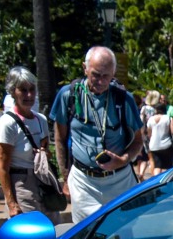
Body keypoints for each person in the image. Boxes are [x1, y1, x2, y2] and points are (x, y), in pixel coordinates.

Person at [50, 45, 142, 222]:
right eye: (95, 75)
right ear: (85, 69)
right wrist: (66, 177)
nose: (100, 81)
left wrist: (123, 160)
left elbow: (138, 141)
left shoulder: (123, 99)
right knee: (85, 238)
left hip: (120, 180)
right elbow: (60, 139)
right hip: (83, 181)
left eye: (106, 76)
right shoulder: (68, 95)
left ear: (113, 73)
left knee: (121, 235)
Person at [0, 66, 57, 220]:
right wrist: (11, 203)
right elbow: (3, 167)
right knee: (30, 230)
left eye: (32, 89)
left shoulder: (40, 120)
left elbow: (46, 153)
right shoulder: (7, 123)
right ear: (13, 92)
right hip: (21, 183)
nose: (29, 95)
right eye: (23, 90)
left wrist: (44, 153)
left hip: (43, 182)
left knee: (48, 228)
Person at [145, 96, 173, 176]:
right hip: (167, 145)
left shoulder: (151, 119)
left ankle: (156, 183)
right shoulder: (168, 118)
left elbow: (149, 134)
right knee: (168, 166)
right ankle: (167, 184)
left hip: (154, 145)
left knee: (157, 166)